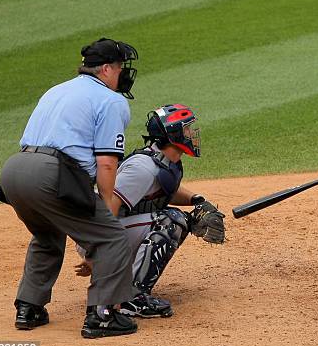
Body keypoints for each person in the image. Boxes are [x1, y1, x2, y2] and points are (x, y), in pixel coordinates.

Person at [0, 37, 141, 338]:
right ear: (104, 69)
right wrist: (105, 211)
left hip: (14, 171)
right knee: (112, 237)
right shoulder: (111, 101)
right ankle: (102, 316)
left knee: (47, 233)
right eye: (118, 68)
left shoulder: (57, 89)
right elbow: (106, 164)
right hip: (52, 174)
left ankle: (29, 307)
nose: (123, 73)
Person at [74, 104, 226, 318]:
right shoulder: (142, 169)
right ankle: (131, 298)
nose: (192, 133)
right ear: (173, 135)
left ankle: (129, 286)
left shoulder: (163, 162)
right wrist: (95, 253)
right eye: (187, 129)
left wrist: (196, 200)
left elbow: (163, 191)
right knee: (171, 221)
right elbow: (106, 208)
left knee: (178, 219)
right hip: (97, 235)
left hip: (114, 231)